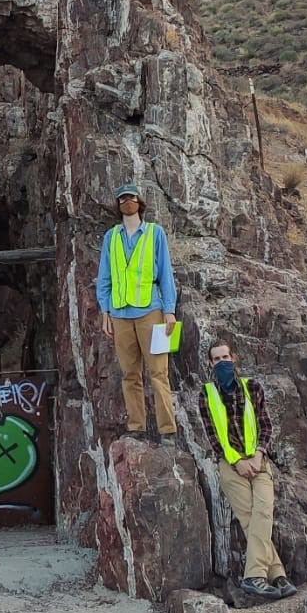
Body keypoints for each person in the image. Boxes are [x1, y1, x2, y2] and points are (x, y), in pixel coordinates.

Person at [199, 339, 297, 602]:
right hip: (231, 465)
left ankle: (254, 576)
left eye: (225, 357)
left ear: (234, 358)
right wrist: (237, 461)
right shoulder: (206, 394)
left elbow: (266, 425)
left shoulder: (252, 387)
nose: (222, 362)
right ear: (210, 363)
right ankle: (278, 575)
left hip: (258, 461)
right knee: (250, 519)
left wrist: (258, 455)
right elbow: (214, 437)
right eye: (217, 359)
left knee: (263, 512)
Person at [96, 181, 178, 442]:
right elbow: (104, 278)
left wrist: (169, 310)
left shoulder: (155, 233)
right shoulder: (111, 237)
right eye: (122, 198)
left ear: (139, 202)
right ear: (117, 205)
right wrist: (105, 311)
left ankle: (168, 430)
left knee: (158, 373)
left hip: (151, 311)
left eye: (131, 197)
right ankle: (137, 427)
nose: (126, 202)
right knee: (129, 375)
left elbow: (165, 274)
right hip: (120, 315)